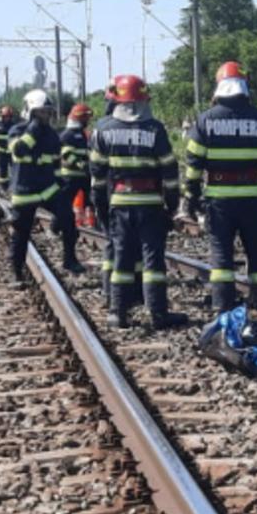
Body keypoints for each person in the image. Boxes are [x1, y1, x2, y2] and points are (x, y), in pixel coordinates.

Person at [184, 61, 257, 328]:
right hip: (252, 198)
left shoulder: (205, 120)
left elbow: (193, 163)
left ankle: (223, 309)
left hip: (219, 200)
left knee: (221, 257)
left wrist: (189, 196)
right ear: (244, 87)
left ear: (219, 88)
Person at [89, 75, 179, 329]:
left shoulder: (103, 130)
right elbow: (170, 172)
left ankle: (118, 312)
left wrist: (101, 208)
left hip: (119, 202)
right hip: (150, 203)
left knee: (122, 257)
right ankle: (158, 313)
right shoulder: (155, 129)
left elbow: (96, 176)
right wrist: (171, 206)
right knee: (153, 259)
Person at [6, 89, 83, 283]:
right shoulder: (17, 131)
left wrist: (60, 184)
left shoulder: (52, 135)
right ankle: (16, 272)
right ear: (30, 112)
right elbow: (19, 152)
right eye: (42, 112)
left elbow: (56, 162)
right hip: (24, 191)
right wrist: (32, 131)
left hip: (48, 189)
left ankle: (70, 259)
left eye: (48, 112)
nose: (46, 116)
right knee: (21, 234)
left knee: (68, 219)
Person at [59, 102, 94, 229]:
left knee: (90, 200)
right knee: (65, 202)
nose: (87, 121)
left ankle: (91, 224)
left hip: (85, 176)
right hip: (70, 176)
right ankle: (56, 226)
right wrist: (81, 164)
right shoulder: (67, 135)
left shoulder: (86, 135)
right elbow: (67, 154)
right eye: (85, 118)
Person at [0, 105, 18, 183]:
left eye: (8, 116)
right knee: (3, 169)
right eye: (5, 116)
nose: (6, 118)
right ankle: (4, 184)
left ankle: (14, 182)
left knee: (14, 168)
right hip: (1, 152)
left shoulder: (14, 125)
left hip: (12, 152)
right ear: (1, 116)